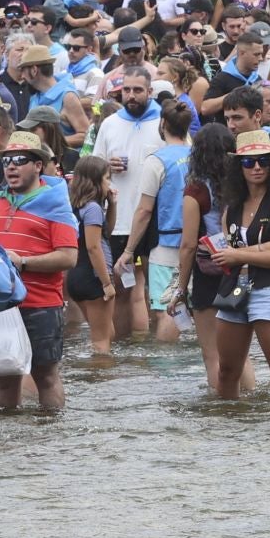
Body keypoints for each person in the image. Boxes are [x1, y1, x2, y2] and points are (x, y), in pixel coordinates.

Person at [183, 127, 270, 399]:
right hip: (234, 290)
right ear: (238, 166)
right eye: (248, 162)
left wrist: (241, 255)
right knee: (226, 371)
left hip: (269, 288)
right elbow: (239, 248)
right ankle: (228, 428)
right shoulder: (232, 207)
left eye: (264, 161)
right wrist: (261, 248)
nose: (256, 167)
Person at [0, 130, 79, 412]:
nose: (11, 166)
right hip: (1, 305)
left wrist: (23, 262)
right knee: (5, 380)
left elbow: (69, 257)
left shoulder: (56, 203)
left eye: (20, 160)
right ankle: (9, 445)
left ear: (38, 166)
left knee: (45, 376)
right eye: (7, 160)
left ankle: (50, 440)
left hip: (41, 304)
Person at [92, 66, 165, 341]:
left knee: (157, 292)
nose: (131, 96)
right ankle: (124, 352)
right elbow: (93, 167)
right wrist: (105, 167)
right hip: (119, 218)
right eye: (126, 90)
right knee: (121, 289)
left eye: (137, 90)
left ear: (150, 91)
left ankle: (158, 353)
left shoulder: (164, 122)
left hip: (156, 218)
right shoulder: (110, 124)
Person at [118, 97, 194, 342]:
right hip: (198, 242)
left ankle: (166, 368)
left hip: (167, 245)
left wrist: (129, 250)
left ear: (162, 124)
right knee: (195, 308)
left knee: (166, 311)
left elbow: (144, 210)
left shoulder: (157, 161)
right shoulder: (198, 156)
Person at [65, 154, 119, 355]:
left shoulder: (76, 206)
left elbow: (106, 233)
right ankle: (101, 383)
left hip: (76, 277)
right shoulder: (93, 208)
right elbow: (94, 247)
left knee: (107, 332)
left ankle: (95, 375)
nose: (109, 183)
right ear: (95, 181)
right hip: (93, 277)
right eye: (106, 178)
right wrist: (107, 283)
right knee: (101, 341)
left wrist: (112, 205)